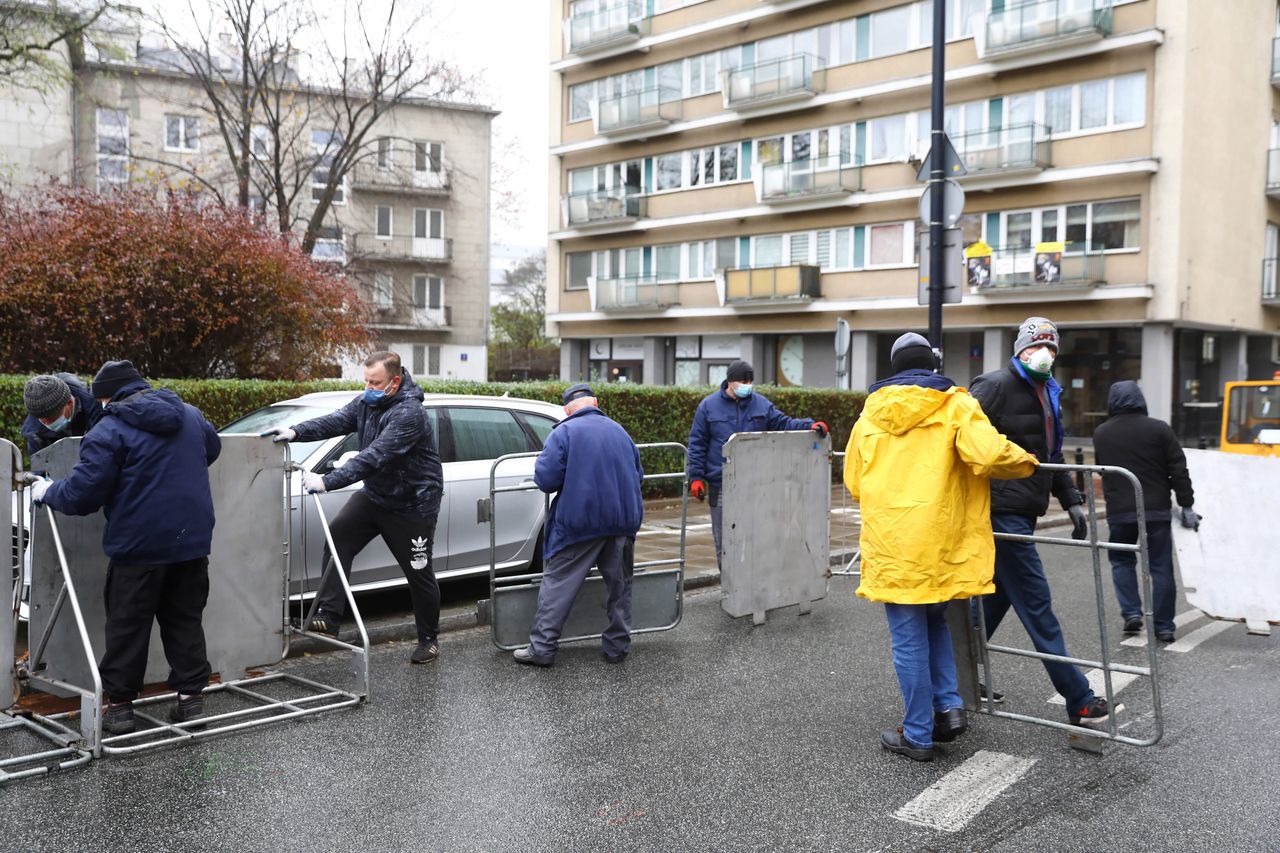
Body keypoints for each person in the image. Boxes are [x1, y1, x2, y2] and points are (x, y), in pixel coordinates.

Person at [846, 333, 1038, 762]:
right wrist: (1029, 461)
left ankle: (917, 733)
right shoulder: (955, 403)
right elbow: (988, 456)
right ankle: (948, 708)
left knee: (909, 637)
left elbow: (854, 483)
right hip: (942, 539)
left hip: (894, 543)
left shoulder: (869, 416)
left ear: (894, 368)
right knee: (937, 624)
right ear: (931, 366)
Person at [29, 360, 221, 734]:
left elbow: (84, 494)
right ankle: (191, 700)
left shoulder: (109, 429)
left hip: (138, 545)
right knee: (184, 620)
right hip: (192, 541)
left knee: (127, 627)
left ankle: (119, 709)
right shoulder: (191, 414)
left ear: (104, 397)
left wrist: (47, 491)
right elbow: (210, 451)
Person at [969, 316, 1110, 725]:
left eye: (1050, 348)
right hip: (1000, 511)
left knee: (996, 599)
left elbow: (1052, 453)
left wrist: (1071, 500)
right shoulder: (995, 385)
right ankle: (1080, 700)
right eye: (1035, 346)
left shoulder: (1047, 391)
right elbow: (962, 438)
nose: (1043, 354)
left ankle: (951, 673)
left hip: (1024, 511)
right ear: (1019, 349)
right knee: (1036, 602)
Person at [263, 351, 445, 664]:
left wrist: (327, 482)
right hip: (376, 495)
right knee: (338, 539)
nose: (369, 387)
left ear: (395, 381)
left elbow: (374, 456)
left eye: (376, 382)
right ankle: (329, 616)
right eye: (366, 381)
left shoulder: (408, 414)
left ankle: (429, 639)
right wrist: (296, 431)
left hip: (413, 503)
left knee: (418, 572)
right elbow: (336, 421)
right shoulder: (367, 403)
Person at [514, 383, 644, 667]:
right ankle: (617, 648)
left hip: (580, 523)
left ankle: (542, 648)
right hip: (623, 520)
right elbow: (639, 474)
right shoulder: (620, 431)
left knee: (558, 585)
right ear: (595, 403)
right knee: (620, 588)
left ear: (566, 409)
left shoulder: (564, 432)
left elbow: (546, 479)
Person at [686, 359, 827, 568]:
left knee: (756, 538)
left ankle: (751, 591)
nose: (747, 385)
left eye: (750, 381)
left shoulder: (760, 404)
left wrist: (809, 425)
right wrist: (695, 477)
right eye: (743, 381)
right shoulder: (708, 407)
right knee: (725, 541)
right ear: (730, 382)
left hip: (755, 483)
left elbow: (783, 422)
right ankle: (729, 589)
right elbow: (697, 443)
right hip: (722, 483)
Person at [1092, 380, 1199, 643]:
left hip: (1120, 511)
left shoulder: (1102, 433)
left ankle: (1131, 614)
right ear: (1140, 400)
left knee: (1121, 561)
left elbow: (1102, 469)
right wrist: (1186, 503)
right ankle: (1164, 626)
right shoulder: (1160, 429)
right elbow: (1178, 468)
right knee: (1160, 567)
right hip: (1156, 510)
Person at [21, 372, 103, 457]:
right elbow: (38, 463)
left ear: (69, 403)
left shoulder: (96, 410)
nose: (47, 423)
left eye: (51, 417)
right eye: (41, 419)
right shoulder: (35, 427)